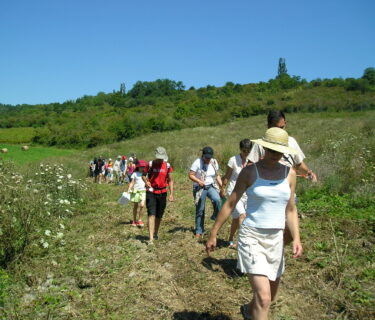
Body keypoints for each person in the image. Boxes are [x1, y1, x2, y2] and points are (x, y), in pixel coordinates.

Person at [206, 127, 303, 320]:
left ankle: (248, 310)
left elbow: (290, 209)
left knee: (270, 297)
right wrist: (214, 232)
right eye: (272, 150)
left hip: (275, 240)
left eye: (280, 151)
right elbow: (231, 202)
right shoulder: (250, 172)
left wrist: (297, 238)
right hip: (252, 237)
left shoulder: (289, 174)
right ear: (264, 148)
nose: (276, 155)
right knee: (264, 299)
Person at [249, 110, 317, 181]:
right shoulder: (260, 145)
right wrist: (261, 164)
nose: (279, 131)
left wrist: (309, 173)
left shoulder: (291, 141)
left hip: (288, 187)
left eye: (282, 127)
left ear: (285, 123)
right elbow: (249, 167)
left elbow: (299, 164)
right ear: (268, 126)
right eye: (275, 128)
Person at [220, 139, 252, 248]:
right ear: (240, 149)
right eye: (244, 150)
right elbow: (227, 175)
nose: (246, 153)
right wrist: (222, 188)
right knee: (242, 215)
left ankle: (230, 239)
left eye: (248, 151)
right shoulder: (233, 160)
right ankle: (242, 242)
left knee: (236, 218)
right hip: (233, 191)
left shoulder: (252, 161)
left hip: (246, 193)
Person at [188, 146, 223, 238]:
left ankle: (215, 216)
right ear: (202, 155)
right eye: (206, 157)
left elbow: (217, 175)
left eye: (209, 157)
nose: (208, 159)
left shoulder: (214, 162)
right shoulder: (197, 162)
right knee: (200, 209)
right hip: (200, 187)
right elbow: (191, 175)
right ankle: (199, 230)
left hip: (210, 186)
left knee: (217, 200)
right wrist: (199, 181)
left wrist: (221, 186)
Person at [142, 147, 174, 244]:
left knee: (159, 215)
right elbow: (143, 175)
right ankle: (151, 238)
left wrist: (172, 193)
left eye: (161, 158)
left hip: (162, 192)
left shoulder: (167, 166)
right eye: (159, 157)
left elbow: (170, 180)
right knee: (151, 213)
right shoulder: (150, 164)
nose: (160, 159)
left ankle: (155, 232)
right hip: (151, 191)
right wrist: (146, 181)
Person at [127, 160, 147, 227]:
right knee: (135, 206)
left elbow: (148, 182)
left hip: (143, 191)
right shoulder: (135, 174)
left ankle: (140, 220)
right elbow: (132, 182)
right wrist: (129, 190)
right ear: (138, 167)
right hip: (136, 192)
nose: (142, 168)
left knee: (142, 205)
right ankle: (134, 220)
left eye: (143, 167)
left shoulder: (146, 174)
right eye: (141, 167)